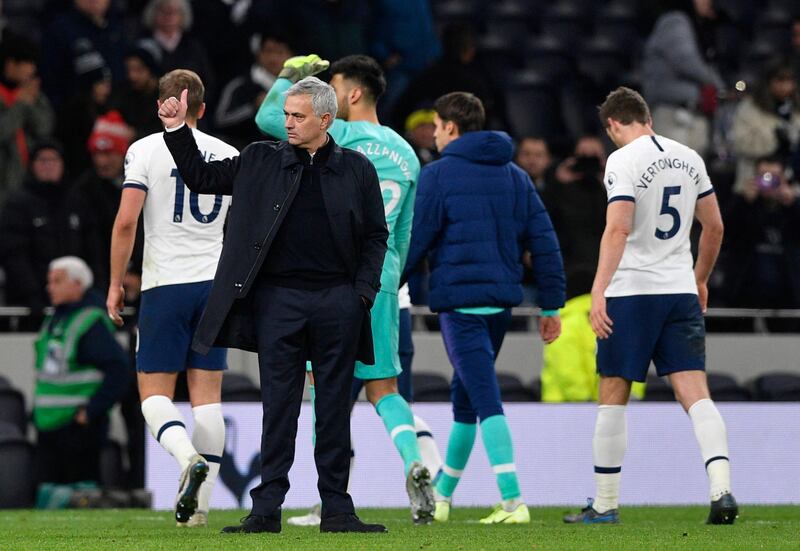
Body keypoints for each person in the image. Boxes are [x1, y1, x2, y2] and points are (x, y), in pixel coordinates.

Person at [159, 76, 389, 534]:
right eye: (286, 114)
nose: (288, 123)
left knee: (333, 411)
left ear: (326, 119)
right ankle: (266, 512)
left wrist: (361, 294)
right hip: (277, 301)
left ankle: (337, 510)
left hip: (337, 302)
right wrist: (177, 129)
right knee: (277, 408)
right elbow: (202, 177)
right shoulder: (259, 159)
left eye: (298, 116)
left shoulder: (358, 169)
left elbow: (375, 236)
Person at [255, 54, 435, 525]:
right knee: (385, 387)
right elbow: (403, 233)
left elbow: (268, 119)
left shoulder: (342, 139)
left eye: (332, 87)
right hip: (386, 277)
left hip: (336, 278)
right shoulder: (406, 151)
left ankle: (326, 501)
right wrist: (392, 276)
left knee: (324, 389)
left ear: (350, 96)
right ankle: (414, 461)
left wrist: (290, 77)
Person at [563, 87, 736, 525]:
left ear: (613, 126)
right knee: (696, 394)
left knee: (613, 395)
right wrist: (699, 279)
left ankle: (604, 504)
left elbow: (618, 229)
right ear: (648, 118)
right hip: (678, 290)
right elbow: (713, 226)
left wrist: (598, 289)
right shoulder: (689, 156)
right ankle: (722, 491)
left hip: (631, 293)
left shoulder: (622, 160)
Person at [402, 92, 566, 524]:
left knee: (485, 397)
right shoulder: (515, 176)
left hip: (460, 306)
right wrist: (551, 305)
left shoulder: (437, 175)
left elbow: (416, 242)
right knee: (466, 398)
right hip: (500, 306)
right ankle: (440, 498)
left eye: (437, 126)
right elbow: (545, 243)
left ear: (451, 128)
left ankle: (513, 501)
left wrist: (381, 291)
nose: (434, 134)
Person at [106, 69, 237, 527]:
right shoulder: (228, 152)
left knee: (152, 395)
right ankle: (198, 513)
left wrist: (115, 283)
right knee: (209, 400)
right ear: (202, 108)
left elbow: (126, 222)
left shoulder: (144, 150)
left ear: (161, 104)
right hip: (216, 286)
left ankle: (186, 459)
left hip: (165, 285)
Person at [34, 256, 129, 486]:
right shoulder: (54, 318)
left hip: (77, 429)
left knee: (80, 493)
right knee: (49, 495)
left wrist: (90, 412)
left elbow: (120, 369)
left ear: (77, 284)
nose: (50, 287)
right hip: (48, 423)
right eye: (49, 281)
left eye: (57, 281)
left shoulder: (90, 322)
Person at [66, 110, 139, 296]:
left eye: (109, 154)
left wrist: (138, 274)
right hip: (97, 284)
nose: (102, 161)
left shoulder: (141, 184)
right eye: (97, 154)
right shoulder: (83, 190)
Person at [641, 0, 724, 157]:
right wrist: (718, 84)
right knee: (670, 174)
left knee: (690, 177)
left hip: (693, 114)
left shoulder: (697, 26)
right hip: (673, 114)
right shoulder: (674, 21)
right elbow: (685, 61)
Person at [722, 155, 800, 317]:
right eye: (764, 177)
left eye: (774, 178)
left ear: (784, 179)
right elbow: (725, 233)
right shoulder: (744, 204)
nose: (769, 183)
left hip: (788, 292)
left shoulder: (792, 207)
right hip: (746, 290)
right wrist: (744, 202)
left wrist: (793, 205)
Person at [0, 142, 72, 314]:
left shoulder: (76, 202)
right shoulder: (16, 204)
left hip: (74, 295)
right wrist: (32, 293)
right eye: (42, 160)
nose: (48, 165)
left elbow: (93, 249)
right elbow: (14, 253)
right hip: (29, 303)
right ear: (32, 166)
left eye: (53, 159)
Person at [731, 59, 800, 196]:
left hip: (790, 184)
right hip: (754, 181)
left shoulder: (796, 108)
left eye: (789, 81)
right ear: (769, 81)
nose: (785, 87)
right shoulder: (750, 108)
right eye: (780, 81)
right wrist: (774, 137)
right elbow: (739, 142)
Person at [214, 32, 294, 150]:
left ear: (291, 55)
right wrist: (253, 107)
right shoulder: (240, 85)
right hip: (245, 157)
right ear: (258, 54)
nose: (273, 58)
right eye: (268, 51)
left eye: (280, 52)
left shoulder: (299, 88)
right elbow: (220, 121)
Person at [0, 33, 55, 199]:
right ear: (10, 64)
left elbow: (44, 128)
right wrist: (20, 105)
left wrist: (28, 104)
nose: (32, 69)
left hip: (31, 180)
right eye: (27, 63)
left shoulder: (33, 94)